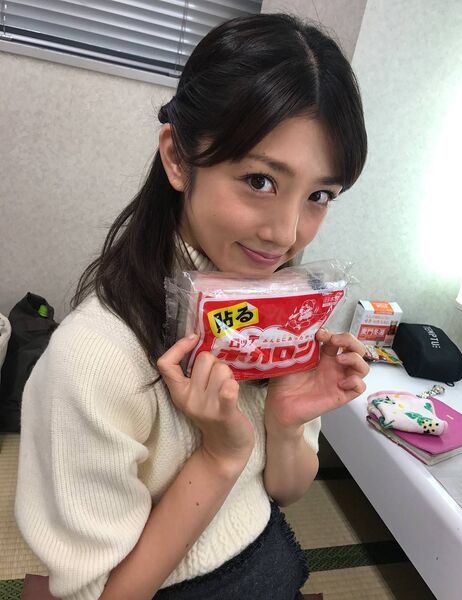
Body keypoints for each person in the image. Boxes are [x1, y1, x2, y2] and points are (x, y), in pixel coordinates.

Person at [14, 12, 368, 600]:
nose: (286, 234)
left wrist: (285, 422)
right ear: (179, 159)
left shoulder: (282, 320)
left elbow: (286, 491)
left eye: (319, 195)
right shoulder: (94, 357)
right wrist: (220, 456)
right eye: (260, 180)